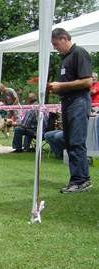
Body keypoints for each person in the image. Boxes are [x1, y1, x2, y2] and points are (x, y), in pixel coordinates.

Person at [48, 28, 93, 193]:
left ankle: (81, 181)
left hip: (78, 103)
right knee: (70, 142)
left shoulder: (79, 53)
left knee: (76, 142)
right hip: (68, 103)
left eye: (56, 44)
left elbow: (87, 82)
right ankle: (79, 179)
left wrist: (61, 86)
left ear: (64, 38)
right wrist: (56, 88)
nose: (55, 47)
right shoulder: (65, 58)